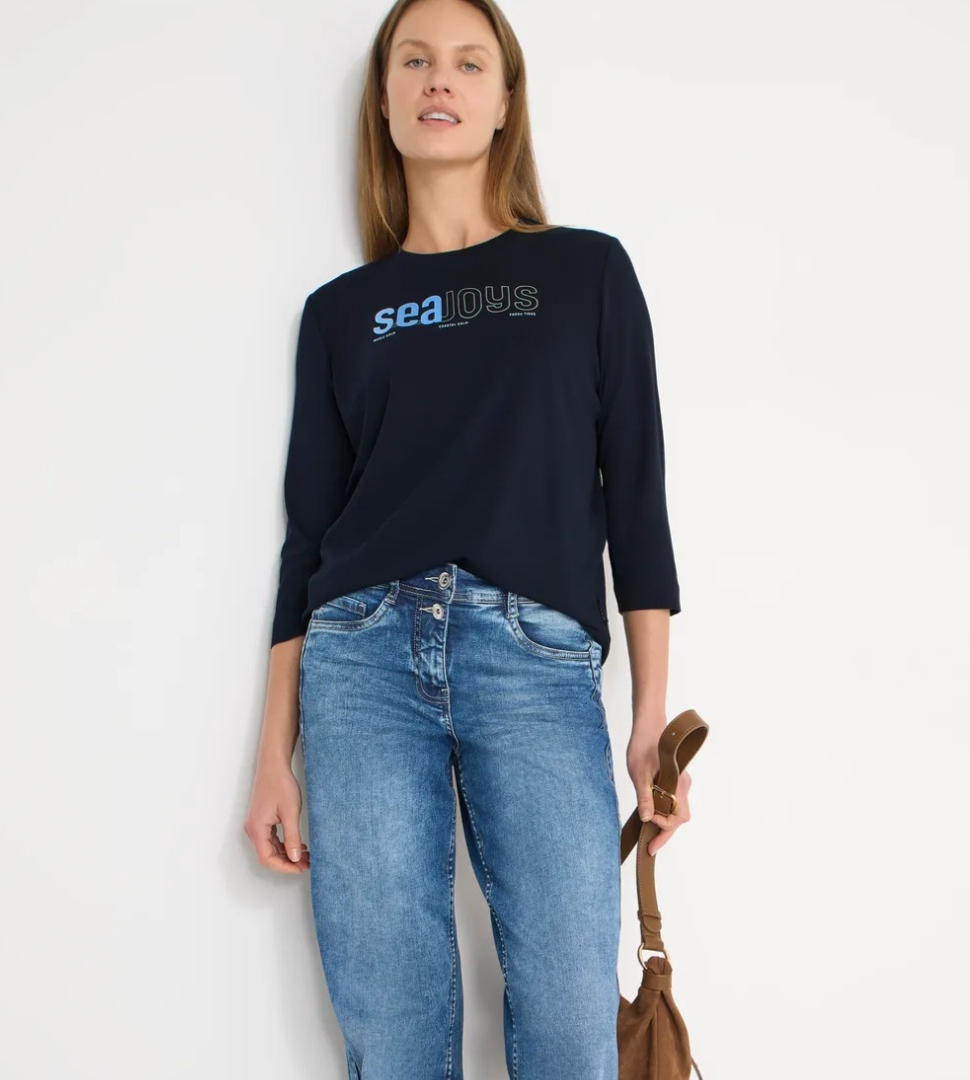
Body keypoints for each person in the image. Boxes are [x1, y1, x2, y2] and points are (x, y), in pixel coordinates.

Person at [244, 1, 696, 1077]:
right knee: (392, 1027)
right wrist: (271, 754)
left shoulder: (586, 273)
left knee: (572, 1021)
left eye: (466, 62)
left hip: (534, 661)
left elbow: (637, 500)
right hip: (359, 663)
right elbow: (307, 537)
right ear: (385, 101)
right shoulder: (341, 313)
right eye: (414, 61)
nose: (438, 80)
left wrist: (648, 719)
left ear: (503, 103)